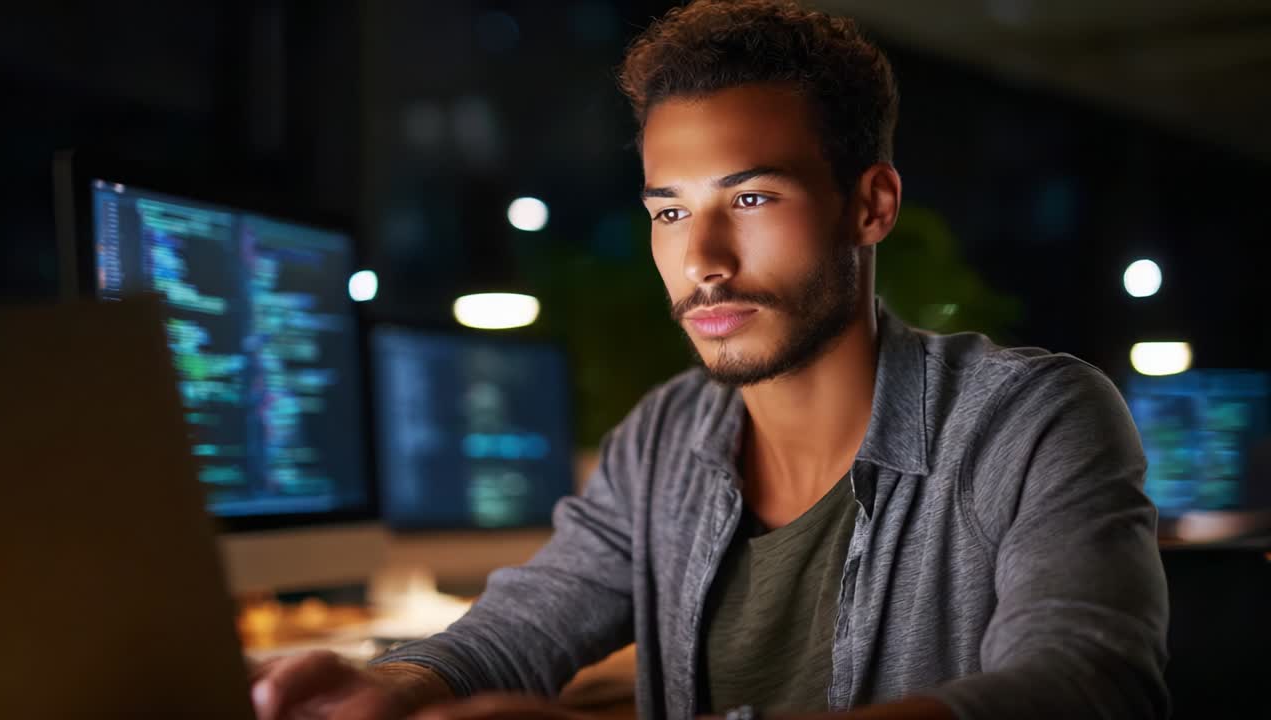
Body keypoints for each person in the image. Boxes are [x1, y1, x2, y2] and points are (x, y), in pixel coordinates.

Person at [250, 1, 1169, 718]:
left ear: (872, 206)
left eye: (754, 199)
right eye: (670, 212)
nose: (704, 262)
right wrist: (398, 687)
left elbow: (1087, 688)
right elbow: (530, 620)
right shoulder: (663, 438)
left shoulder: (1034, 421)